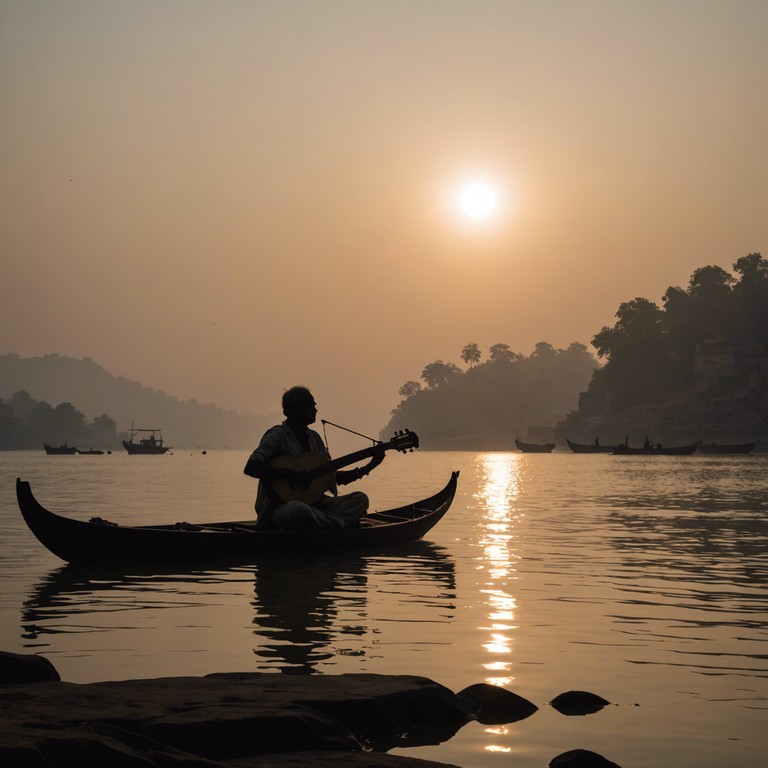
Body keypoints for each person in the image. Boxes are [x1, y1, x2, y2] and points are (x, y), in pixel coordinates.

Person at [243, 386, 385, 530]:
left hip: (316, 506)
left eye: (314, 406)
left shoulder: (315, 439)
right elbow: (251, 467)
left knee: (360, 499)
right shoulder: (276, 436)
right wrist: (290, 473)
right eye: (310, 406)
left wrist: (370, 465)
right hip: (279, 509)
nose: (315, 410)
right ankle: (333, 524)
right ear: (292, 410)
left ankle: (324, 523)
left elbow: (334, 477)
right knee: (299, 510)